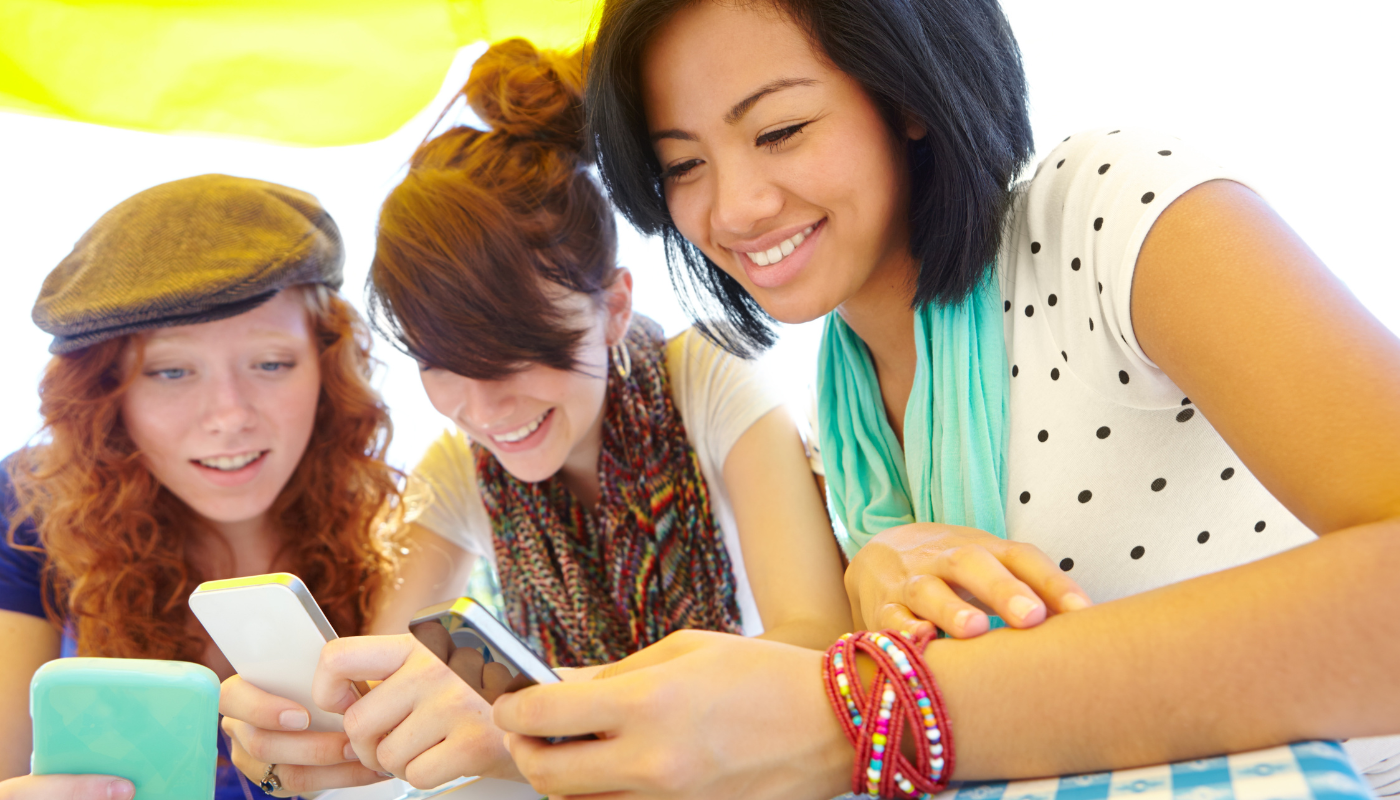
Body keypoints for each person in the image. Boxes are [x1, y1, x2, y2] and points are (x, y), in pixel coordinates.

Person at [477, 0, 1400, 796]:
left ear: (908, 96)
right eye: (684, 166)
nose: (735, 208)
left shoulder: (1108, 210)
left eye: (780, 130)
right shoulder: (843, 394)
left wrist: (876, 706)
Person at [217, 38, 850, 795]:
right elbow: (377, 669)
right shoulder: (458, 469)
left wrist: (521, 715)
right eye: (443, 365)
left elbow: (815, 643)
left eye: (518, 354)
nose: (485, 409)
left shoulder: (709, 381)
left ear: (613, 306)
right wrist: (314, 743)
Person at [0, 175, 449, 799]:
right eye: (172, 371)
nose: (230, 414)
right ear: (106, 395)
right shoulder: (29, 507)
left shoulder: (407, 527)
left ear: (327, 370)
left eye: (271, 363)